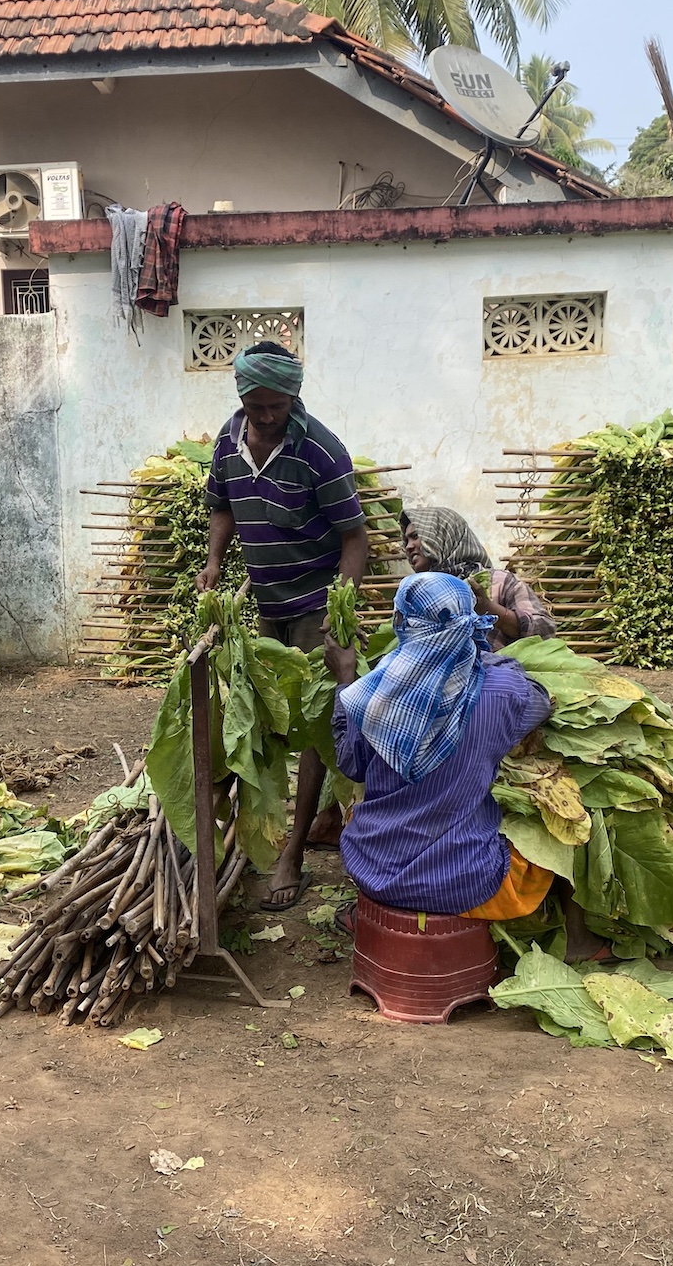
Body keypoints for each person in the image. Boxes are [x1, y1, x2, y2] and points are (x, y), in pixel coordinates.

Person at [325, 572, 599, 958]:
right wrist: (489, 659)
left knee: (364, 803)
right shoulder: (502, 691)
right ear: (471, 624)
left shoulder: (369, 692)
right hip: (465, 881)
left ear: (400, 622)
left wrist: (344, 676)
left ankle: (371, 913)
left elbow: (351, 765)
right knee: (565, 811)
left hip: (369, 866)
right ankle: (578, 939)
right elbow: (541, 700)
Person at [197, 341, 370, 911]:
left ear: (294, 396)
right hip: (267, 604)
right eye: (258, 405)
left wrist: (340, 612)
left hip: (315, 604)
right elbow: (223, 506)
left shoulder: (320, 450)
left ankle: (293, 853)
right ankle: (281, 829)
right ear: (242, 396)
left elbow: (355, 538)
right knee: (268, 722)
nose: (269, 416)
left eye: (279, 405)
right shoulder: (227, 442)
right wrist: (215, 560)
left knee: (316, 724)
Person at [401, 505, 557, 645]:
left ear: (443, 536)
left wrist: (489, 609)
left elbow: (544, 631)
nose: (408, 546)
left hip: (498, 668)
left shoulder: (500, 582)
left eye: (415, 536)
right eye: (406, 540)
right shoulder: (415, 597)